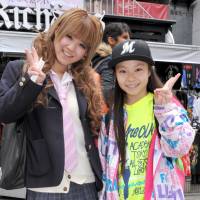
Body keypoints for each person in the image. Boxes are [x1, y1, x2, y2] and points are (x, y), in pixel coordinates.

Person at [0, 8, 104, 200]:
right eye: (69, 36)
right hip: (45, 186)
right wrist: (31, 82)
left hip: (86, 183)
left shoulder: (86, 80)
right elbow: (5, 113)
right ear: (56, 30)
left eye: (82, 45)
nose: (72, 48)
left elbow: (93, 128)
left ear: (86, 52)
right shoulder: (19, 69)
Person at [98, 39, 195, 200]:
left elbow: (180, 147)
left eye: (138, 69)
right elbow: (104, 164)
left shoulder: (166, 105)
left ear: (149, 71)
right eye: (123, 71)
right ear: (115, 74)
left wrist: (164, 112)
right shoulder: (111, 117)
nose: (130, 78)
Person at [92, 22, 131, 104]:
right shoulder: (110, 60)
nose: (129, 41)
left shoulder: (97, 57)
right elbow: (107, 91)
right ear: (111, 40)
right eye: (125, 37)